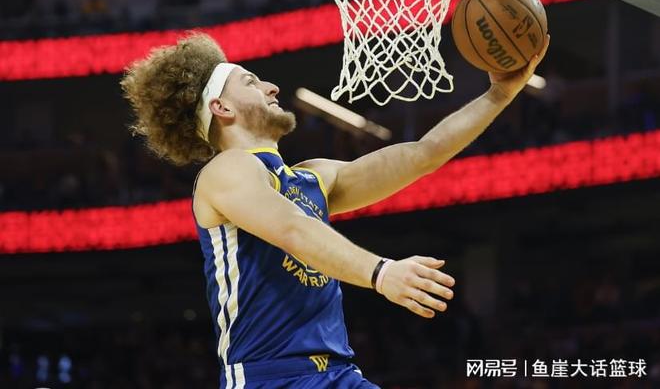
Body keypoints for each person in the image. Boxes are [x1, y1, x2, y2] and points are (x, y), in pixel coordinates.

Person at [121, 31, 549, 388]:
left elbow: (424, 153)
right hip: (270, 379)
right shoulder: (225, 171)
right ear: (222, 107)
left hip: (338, 375)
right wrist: (381, 272)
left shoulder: (313, 178)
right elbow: (292, 229)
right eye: (251, 82)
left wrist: (499, 95)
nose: (271, 88)